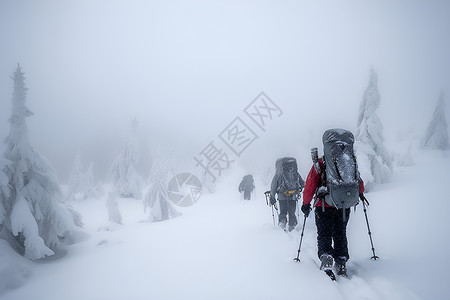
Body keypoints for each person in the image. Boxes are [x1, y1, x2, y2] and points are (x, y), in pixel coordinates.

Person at [301, 129, 365, 277]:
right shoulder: (349, 160)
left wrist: (305, 204)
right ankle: (341, 261)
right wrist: (359, 194)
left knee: (324, 234)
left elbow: (310, 184)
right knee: (340, 233)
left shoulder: (321, 164)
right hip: (343, 204)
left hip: (323, 206)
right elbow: (359, 182)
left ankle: (326, 258)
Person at [270, 157, 305, 232]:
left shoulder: (278, 174)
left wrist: (272, 196)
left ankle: (282, 226)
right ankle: (292, 227)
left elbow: (273, 185)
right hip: (293, 196)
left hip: (282, 196)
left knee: (283, 212)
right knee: (292, 212)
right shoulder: (295, 173)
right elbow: (302, 184)